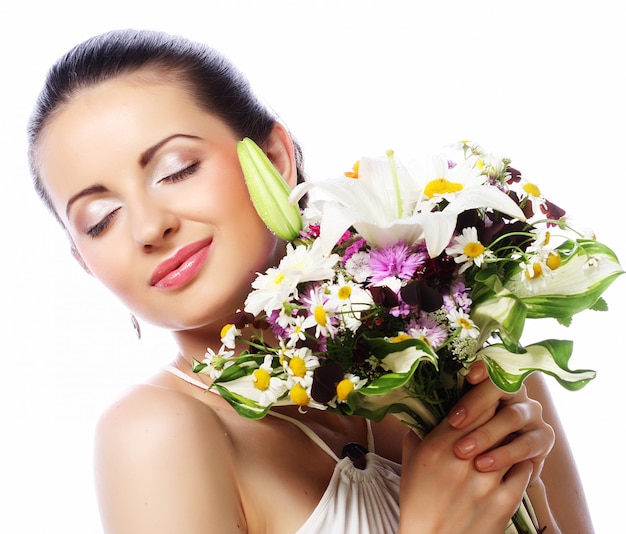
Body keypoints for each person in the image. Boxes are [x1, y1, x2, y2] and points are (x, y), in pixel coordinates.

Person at [28, 29, 593, 533]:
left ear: (274, 158)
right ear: (85, 262)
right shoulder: (154, 435)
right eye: (100, 220)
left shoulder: (465, 349)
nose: (150, 226)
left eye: (177, 170)